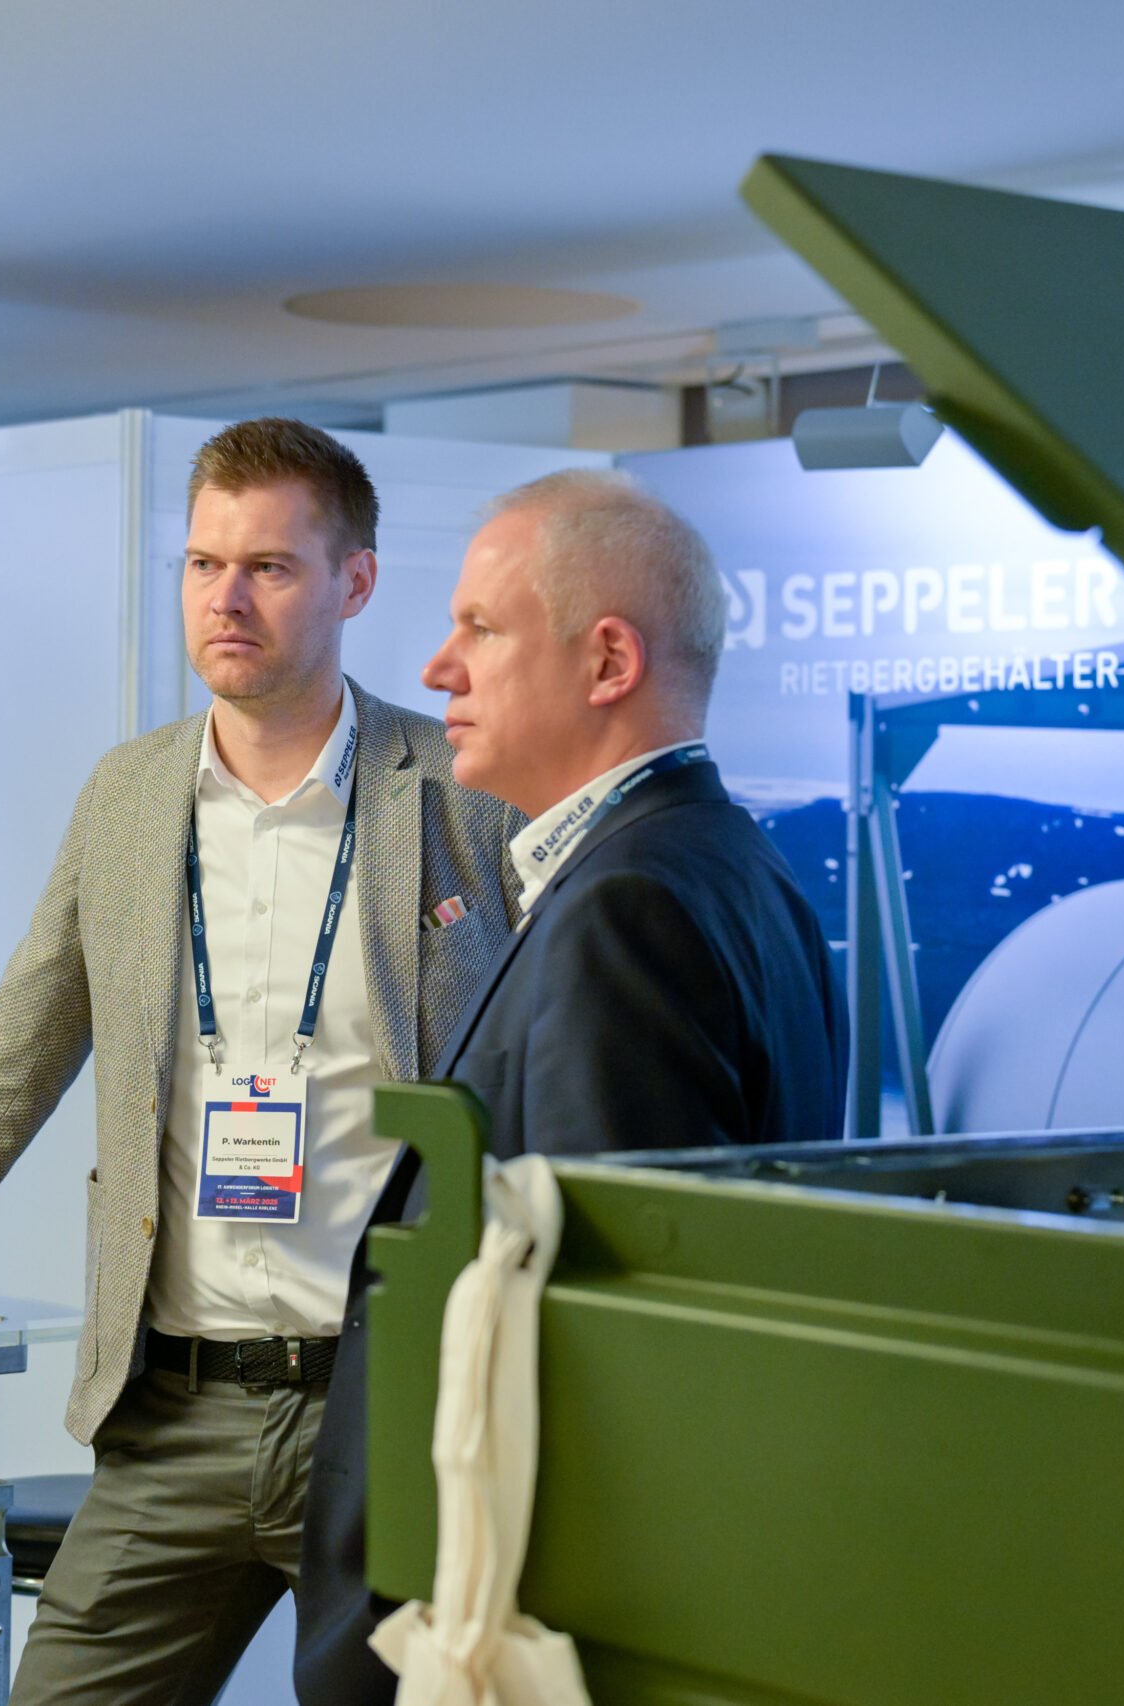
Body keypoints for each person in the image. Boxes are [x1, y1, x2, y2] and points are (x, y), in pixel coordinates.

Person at [0, 418, 522, 1704]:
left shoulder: (460, 793)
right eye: (204, 563)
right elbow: (8, 1063)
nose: (227, 597)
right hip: (177, 1410)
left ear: (355, 582)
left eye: (269, 565)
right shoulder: (129, 797)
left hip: (397, 1407)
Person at [294, 468, 848, 1705]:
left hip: (516, 1625)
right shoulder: (739, 873)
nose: (438, 669)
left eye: (480, 629)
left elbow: (613, 1346)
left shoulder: (628, 908)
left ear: (607, 661)